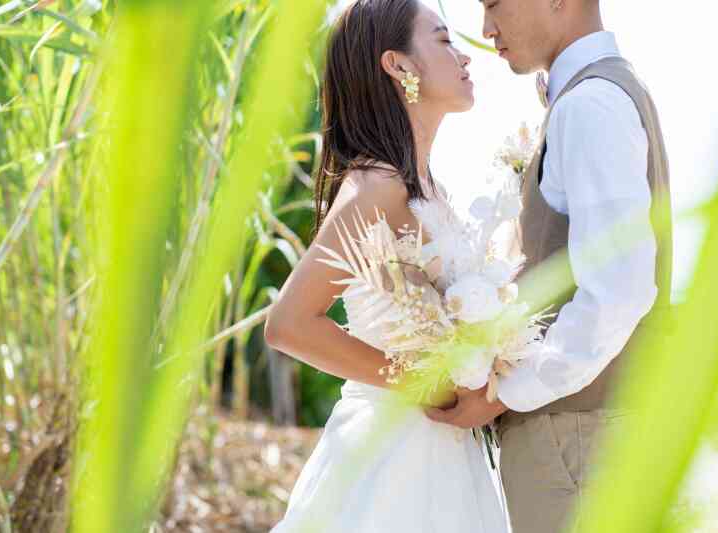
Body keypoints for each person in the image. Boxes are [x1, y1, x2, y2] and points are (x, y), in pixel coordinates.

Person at [425, 1, 673, 532]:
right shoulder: (601, 94)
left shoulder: (590, 105)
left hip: (577, 438)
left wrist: (504, 392)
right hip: (590, 433)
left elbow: (620, 289)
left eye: (494, 3)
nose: (486, 28)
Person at [264, 1, 510, 531]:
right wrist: (420, 382)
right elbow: (288, 324)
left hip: (446, 454)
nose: (466, 57)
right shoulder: (377, 188)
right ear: (399, 66)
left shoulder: (427, 188)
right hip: (389, 459)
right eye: (444, 40)